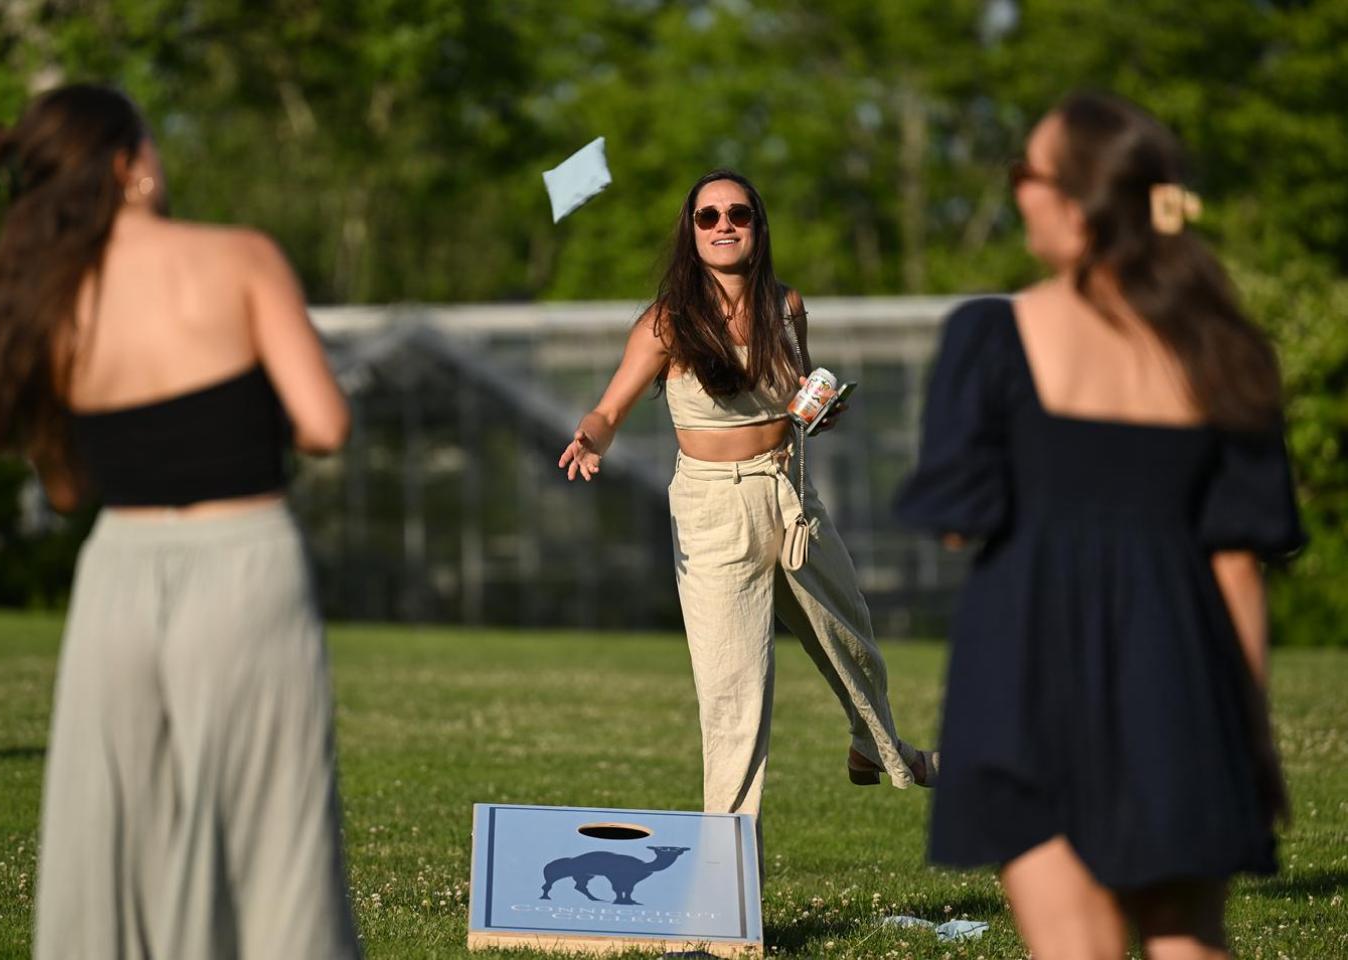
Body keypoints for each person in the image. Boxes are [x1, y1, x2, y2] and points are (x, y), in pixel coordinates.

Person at [894, 92, 1304, 959]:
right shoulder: (1225, 350)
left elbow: (961, 521)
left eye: (1023, 175)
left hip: (1025, 672)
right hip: (1181, 675)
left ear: (1074, 201)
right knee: (1191, 940)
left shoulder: (993, 336)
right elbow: (1238, 563)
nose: (1016, 195)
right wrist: (1250, 733)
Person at [0, 84, 360, 959]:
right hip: (245, 560)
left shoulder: (40, 298)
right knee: (269, 827)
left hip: (117, 570)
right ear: (127, 166)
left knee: (117, 824)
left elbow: (66, 489)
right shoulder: (240, 257)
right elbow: (326, 425)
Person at [558, 169, 936, 840]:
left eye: (739, 214)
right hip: (713, 511)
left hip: (790, 492)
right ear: (692, 233)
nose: (724, 225)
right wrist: (590, 438)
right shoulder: (666, 320)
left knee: (854, 641)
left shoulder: (785, 306)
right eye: (709, 217)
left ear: (759, 228)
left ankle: (873, 742)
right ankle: (723, 892)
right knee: (735, 700)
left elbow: (798, 396)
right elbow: (610, 407)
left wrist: (822, 409)